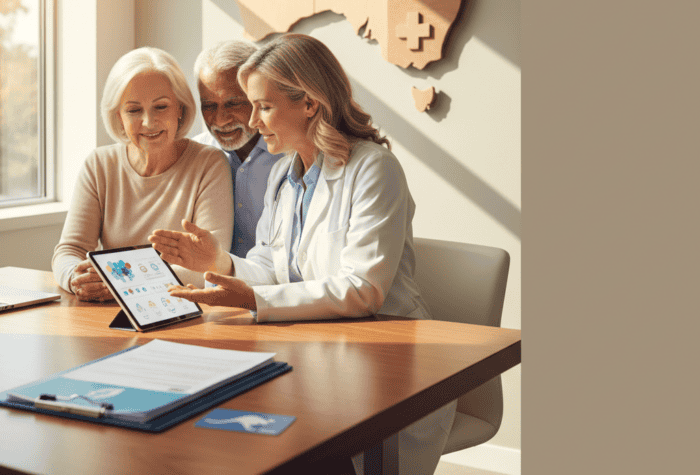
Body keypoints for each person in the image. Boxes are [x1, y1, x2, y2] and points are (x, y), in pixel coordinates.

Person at [149, 33, 455, 475]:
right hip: (318, 349)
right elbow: (275, 267)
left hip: (385, 361)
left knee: (293, 451)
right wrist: (218, 263)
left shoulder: (373, 168)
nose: (252, 121)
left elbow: (363, 289)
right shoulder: (286, 176)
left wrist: (253, 300)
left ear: (309, 103)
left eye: (264, 106)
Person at [52, 47, 233, 301]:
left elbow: (210, 263)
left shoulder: (209, 163)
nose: (148, 122)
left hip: (182, 311)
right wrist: (75, 278)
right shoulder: (99, 164)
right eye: (134, 110)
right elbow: (70, 250)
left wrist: (118, 281)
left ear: (180, 109)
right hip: (109, 311)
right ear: (119, 116)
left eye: (160, 107)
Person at [192, 40, 282, 257]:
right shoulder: (195, 155)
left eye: (233, 103)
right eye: (209, 106)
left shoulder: (291, 153)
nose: (220, 120)